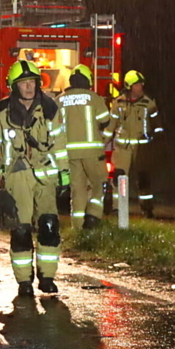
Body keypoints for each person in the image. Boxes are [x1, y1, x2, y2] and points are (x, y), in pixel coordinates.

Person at [0, 59, 68, 296]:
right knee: (21, 230)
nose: (29, 87)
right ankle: (24, 282)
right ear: (14, 86)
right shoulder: (1, 111)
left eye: (32, 82)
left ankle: (47, 278)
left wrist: (64, 173)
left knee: (49, 226)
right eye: (23, 83)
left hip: (46, 177)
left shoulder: (50, 109)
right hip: (16, 178)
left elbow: (60, 143)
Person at [57, 64, 111, 230]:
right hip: (92, 153)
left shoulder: (59, 100)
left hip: (69, 154)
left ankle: (78, 228)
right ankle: (93, 216)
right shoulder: (93, 98)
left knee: (77, 191)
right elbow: (105, 120)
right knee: (99, 185)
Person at [104, 70, 162, 217]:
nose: (140, 87)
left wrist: (157, 139)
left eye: (141, 84)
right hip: (122, 148)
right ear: (129, 86)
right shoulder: (118, 103)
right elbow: (110, 126)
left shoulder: (148, 103)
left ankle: (147, 208)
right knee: (119, 178)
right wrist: (102, 144)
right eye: (137, 84)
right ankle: (119, 208)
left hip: (142, 147)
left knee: (144, 178)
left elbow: (157, 125)